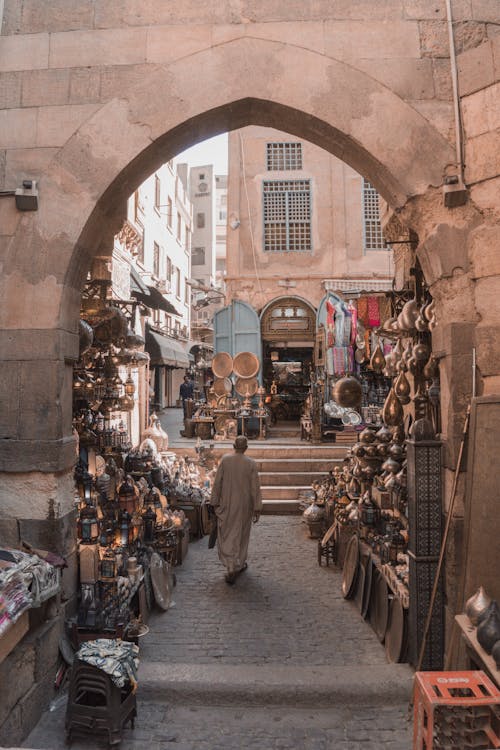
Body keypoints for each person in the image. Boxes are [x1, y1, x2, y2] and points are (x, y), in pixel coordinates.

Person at [210, 435, 262, 584]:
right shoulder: (250, 463)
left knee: (228, 533)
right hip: (244, 506)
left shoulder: (226, 460)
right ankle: (237, 562)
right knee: (242, 534)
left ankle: (231, 565)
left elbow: (217, 483)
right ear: (245, 448)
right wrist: (257, 507)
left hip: (227, 504)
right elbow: (255, 488)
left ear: (234, 446)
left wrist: (214, 501)